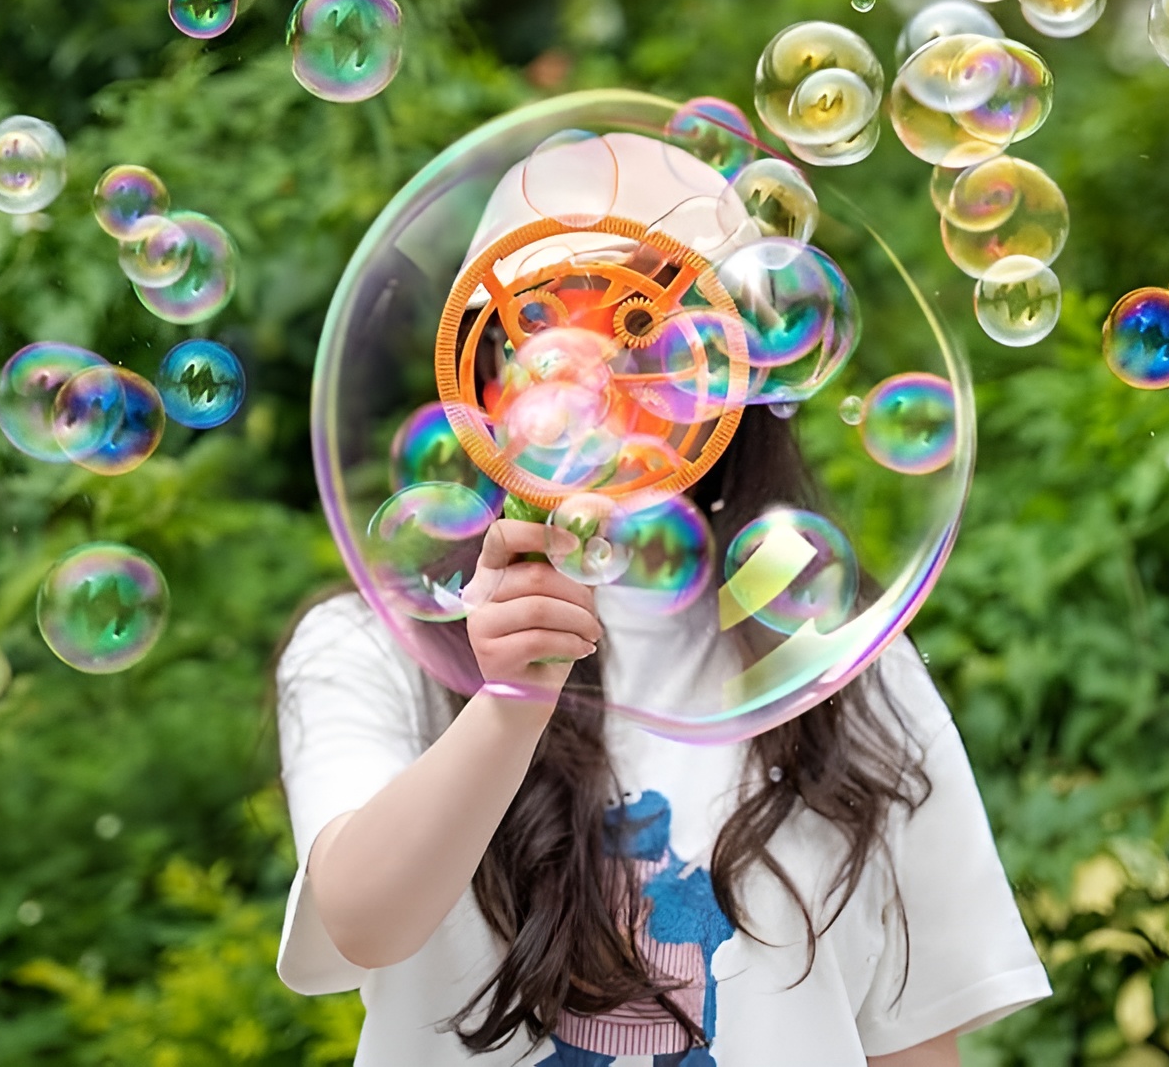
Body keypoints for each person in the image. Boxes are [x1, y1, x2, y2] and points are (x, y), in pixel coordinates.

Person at [275, 135, 1051, 1066]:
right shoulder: (369, 644)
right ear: (487, 359)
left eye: (645, 316)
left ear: (737, 365)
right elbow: (364, 920)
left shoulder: (842, 654)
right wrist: (509, 706)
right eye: (555, 312)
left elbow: (913, 1042)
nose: (599, 361)